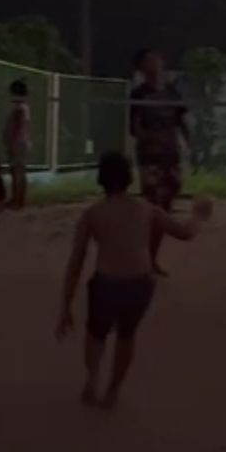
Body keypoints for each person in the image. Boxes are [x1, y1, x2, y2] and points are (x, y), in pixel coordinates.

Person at [57, 150, 211, 409]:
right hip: (140, 284)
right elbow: (185, 233)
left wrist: (66, 306)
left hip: (107, 283)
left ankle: (93, 379)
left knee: (96, 333)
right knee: (126, 336)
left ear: (100, 179)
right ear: (129, 179)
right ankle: (113, 391)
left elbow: (76, 262)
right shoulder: (147, 209)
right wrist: (198, 215)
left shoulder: (93, 214)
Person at [128, 48, 190, 275]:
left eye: (157, 59)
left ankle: (151, 258)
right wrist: (152, 139)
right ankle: (141, 258)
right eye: (148, 61)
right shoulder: (139, 94)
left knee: (165, 209)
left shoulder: (173, 92)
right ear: (142, 68)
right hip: (150, 157)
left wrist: (187, 144)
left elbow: (180, 121)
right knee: (152, 207)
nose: (154, 64)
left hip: (170, 156)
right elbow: (135, 129)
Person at [2, 79, 31, 210]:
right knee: (16, 171)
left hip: (18, 143)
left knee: (18, 171)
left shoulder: (19, 107)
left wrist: (11, 142)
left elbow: (17, 127)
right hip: (20, 142)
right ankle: (16, 199)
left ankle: (18, 200)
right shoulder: (21, 106)